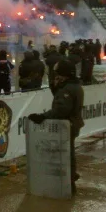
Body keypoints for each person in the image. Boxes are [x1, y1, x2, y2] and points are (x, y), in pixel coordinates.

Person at [28, 60, 84, 193]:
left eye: (58, 74)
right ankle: (70, 177)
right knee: (68, 152)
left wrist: (43, 117)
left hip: (67, 125)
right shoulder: (72, 86)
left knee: (66, 154)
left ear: (65, 74)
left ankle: (69, 182)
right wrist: (55, 86)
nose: (56, 76)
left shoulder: (68, 89)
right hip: (70, 124)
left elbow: (61, 110)